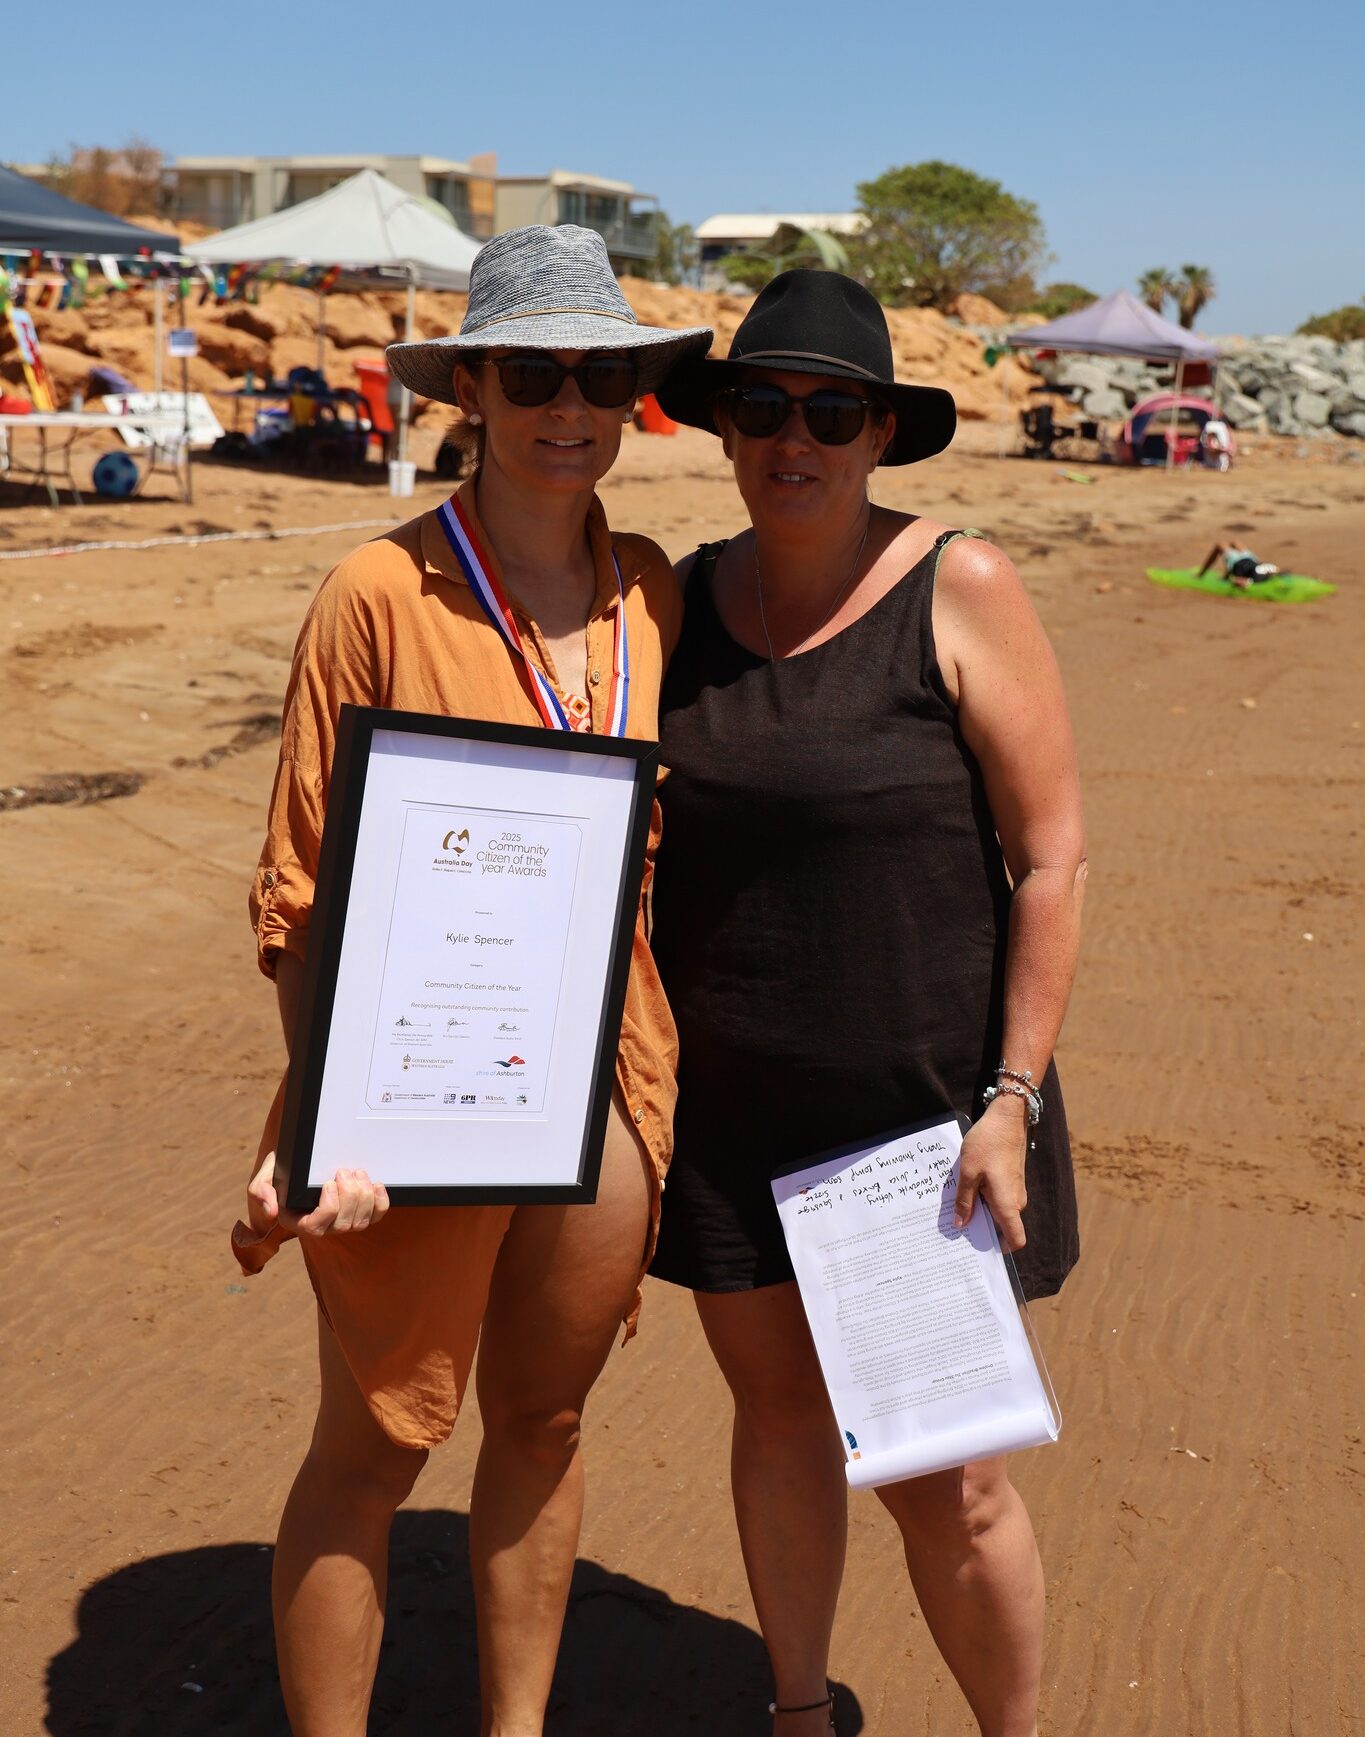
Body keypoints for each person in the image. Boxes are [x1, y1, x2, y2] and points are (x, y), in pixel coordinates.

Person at [229, 225, 709, 1736]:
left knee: (547, 1425)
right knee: (373, 1447)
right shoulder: (376, 590)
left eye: (599, 375)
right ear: (474, 389)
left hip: (602, 1078)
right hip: (407, 1091)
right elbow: (305, 886)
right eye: (532, 371)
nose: (568, 405)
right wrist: (319, 1121)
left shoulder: (648, 592)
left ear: (633, 395)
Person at [649, 270, 1086, 1737]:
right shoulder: (677, 603)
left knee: (945, 1479)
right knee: (777, 1429)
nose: (795, 438)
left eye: (832, 412)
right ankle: (796, 1711)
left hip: (924, 1124)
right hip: (728, 1116)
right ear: (722, 427)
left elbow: (1051, 855)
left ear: (881, 432)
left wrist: (1012, 1099)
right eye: (762, 406)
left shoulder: (962, 584)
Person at [1196, 538, 1279, 588]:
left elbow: (1239, 582)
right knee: (1234, 542)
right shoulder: (1269, 572)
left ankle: (1200, 574)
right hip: (1248, 560)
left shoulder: (1265, 573)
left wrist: (1227, 579)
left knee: (1220, 544)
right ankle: (1204, 574)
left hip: (1243, 560)